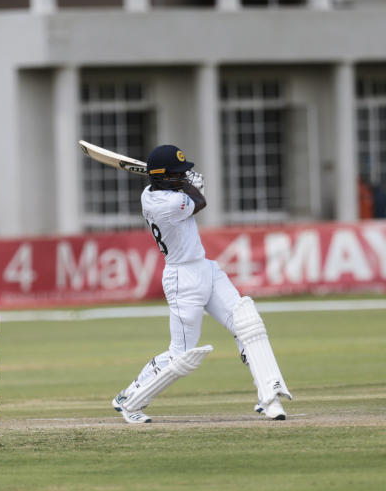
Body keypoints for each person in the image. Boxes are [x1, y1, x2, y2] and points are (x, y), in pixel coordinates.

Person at [111, 145, 293, 423]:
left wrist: (183, 182)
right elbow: (200, 202)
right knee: (182, 355)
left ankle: (270, 397)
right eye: (178, 174)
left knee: (248, 323)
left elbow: (184, 190)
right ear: (161, 177)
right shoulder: (167, 205)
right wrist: (194, 186)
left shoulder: (153, 191)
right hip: (182, 279)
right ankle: (130, 398)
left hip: (205, 268)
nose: (184, 176)